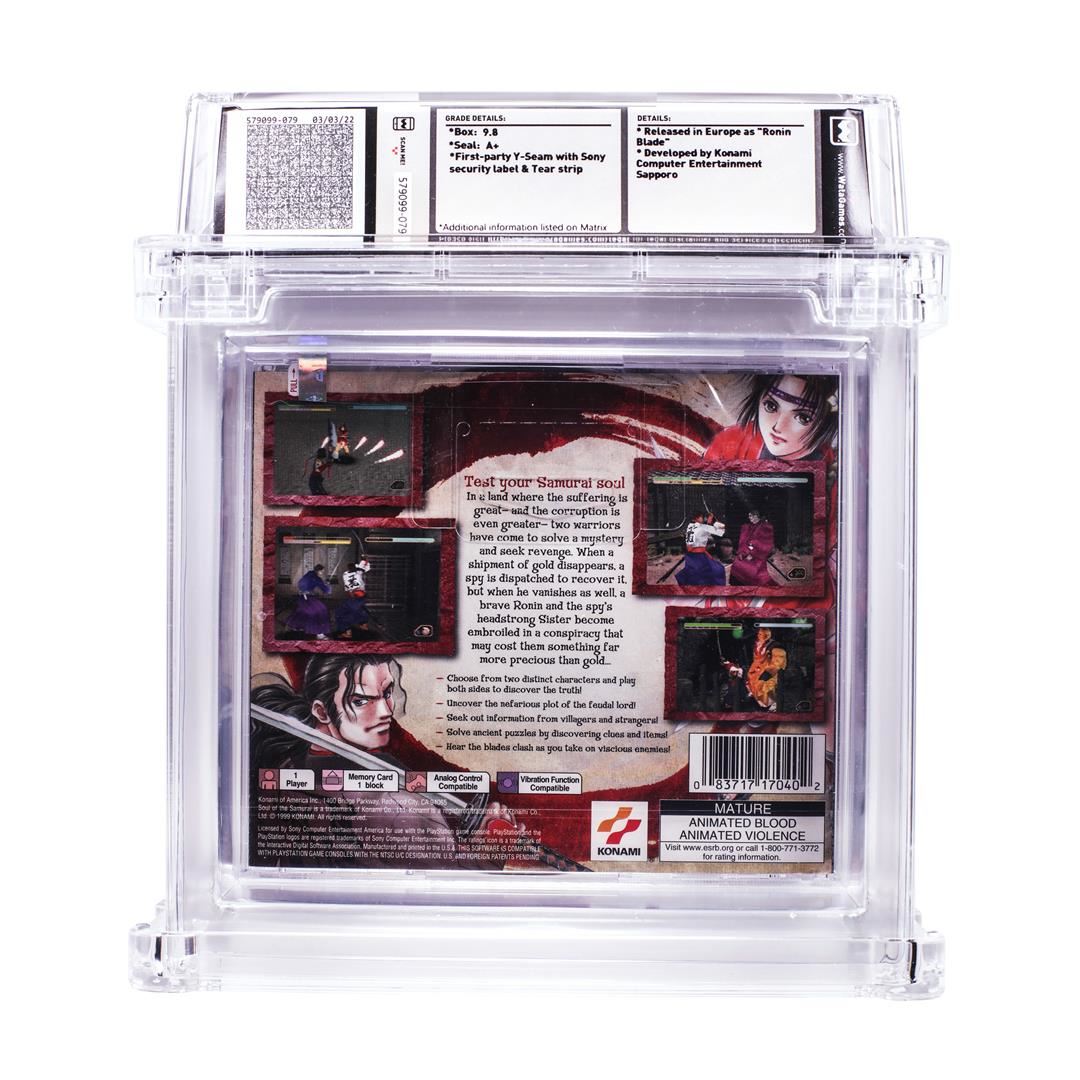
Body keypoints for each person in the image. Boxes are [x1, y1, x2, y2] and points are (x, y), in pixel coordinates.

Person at [250, 655, 517, 869]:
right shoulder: (399, 808)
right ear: (321, 711)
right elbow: (450, 889)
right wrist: (488, 856)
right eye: (360, 700)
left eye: (387, 692)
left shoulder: (284, 767)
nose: (385, 711)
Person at [704, 374, 838, 462]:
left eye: (803, 418)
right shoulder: (731, 442)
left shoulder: (833, 463)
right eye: (770, 406)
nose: (777, 427)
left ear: (824, 422)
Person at [675, 513, 728, 586]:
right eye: (703, 518)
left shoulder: (690, 527)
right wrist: (715, 522)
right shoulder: (701, 528)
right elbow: (721, 531)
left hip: (691, 557)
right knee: (718, 570)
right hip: (700, 558)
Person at [729, 508, 775, 586]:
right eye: (749, 516)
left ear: (756, 516)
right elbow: (745, 541)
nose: (749, 518)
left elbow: (765, 544)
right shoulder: (748, 527)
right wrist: (743, 552)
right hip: (746, 552)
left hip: (757, 555)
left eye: (750, 516)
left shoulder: (765, 527)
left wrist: (752, 553)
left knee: (749, 569)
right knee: (737, 565)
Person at [285, 564, 332, 639]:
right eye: (322, 571)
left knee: (303, 611)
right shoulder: (317, 578)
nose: (322, 573)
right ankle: (320, 634)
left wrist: (304, 590)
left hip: (301, 598)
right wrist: (328, 585)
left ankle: (297, 627)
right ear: (318, 571)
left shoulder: (308, 574)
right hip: (308, 598)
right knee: (321, 610)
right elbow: (326, 591)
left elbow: (300, 583)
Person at [335, 559, 372, 638]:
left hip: (356, 597)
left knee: (341, 613)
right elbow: (366, 566)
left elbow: (348, 589)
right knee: (356, 610)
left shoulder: (345, 574)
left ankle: (349, 632)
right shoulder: (358, 572)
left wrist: (364, 561)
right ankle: (363, 624)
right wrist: (365, 559)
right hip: (360, 597)